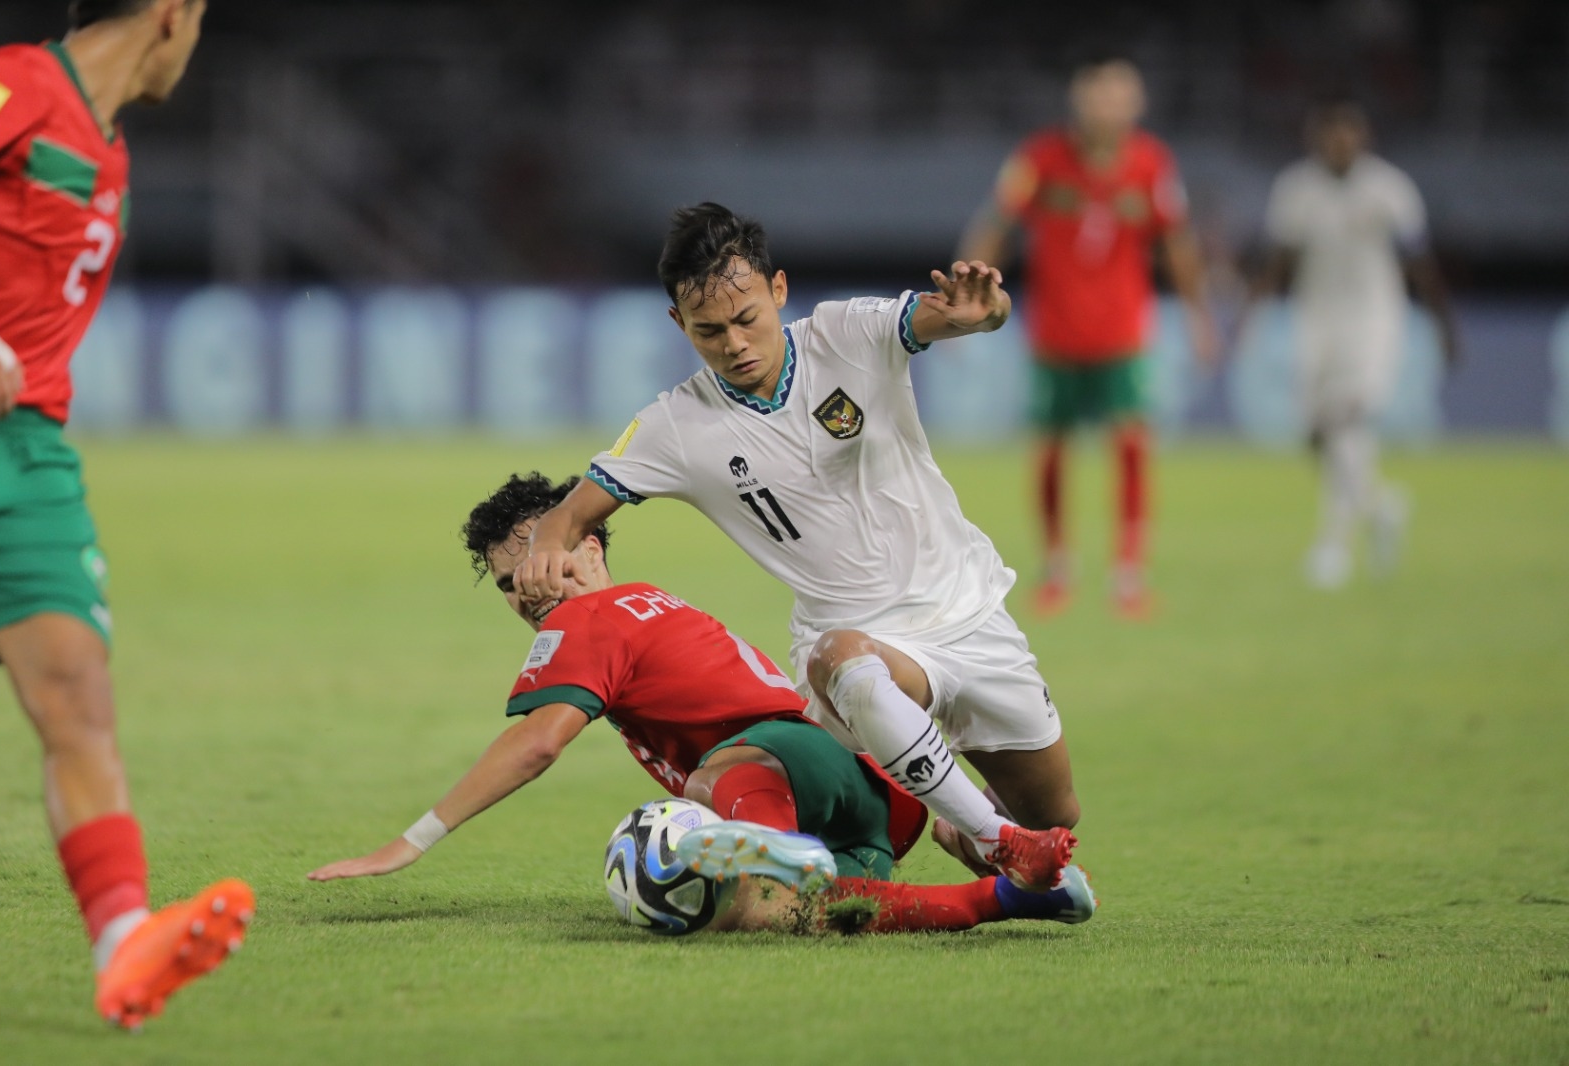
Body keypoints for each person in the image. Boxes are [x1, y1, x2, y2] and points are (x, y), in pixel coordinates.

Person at [513, 203, 1079, 895]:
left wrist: (980, 312)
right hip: (856, 646)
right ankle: (1001, 843)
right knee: (843, 659)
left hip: (969, 614)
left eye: (747, 318)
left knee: (1057, 813)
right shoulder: (675, 426)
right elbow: (573, 510)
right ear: (677, 325)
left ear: (778, 290)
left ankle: (973, 829)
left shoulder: (848, 334)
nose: (734, 344)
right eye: (708, 331)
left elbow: (953, 318)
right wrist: (545, 541)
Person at [308, 474, 1096, 935]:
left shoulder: (584, 620)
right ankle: (1014, 898)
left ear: (587, 546)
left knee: (723, 791)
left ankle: (764, 841)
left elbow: (540, 744)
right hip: (865, 794)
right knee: (804, 912)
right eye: (510, 586)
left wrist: (410, 842)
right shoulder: (654, 603)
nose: (527, 593)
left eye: (535, 564)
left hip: (778, 769)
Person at [0, 0, 251, 1030]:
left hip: (26, 453)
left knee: (77, 693)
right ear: (174, 14)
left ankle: (124, 941)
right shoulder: (9, 88)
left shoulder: (109, 152)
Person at [957, 52, 1219, 618]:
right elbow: (996, 222)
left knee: (1130, 447)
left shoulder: (1151, 165)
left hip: (1123, 334)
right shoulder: (1041, 160)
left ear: (1136, 103)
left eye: (1119, 95)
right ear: (1079, 99)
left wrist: (1199, 317)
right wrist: (967, 286)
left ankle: (1128, 574)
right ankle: (1058, 570)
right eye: (1098, 94)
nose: (1108, 105)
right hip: (1055, 334)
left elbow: (1177, 242)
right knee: (1051, 450)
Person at [1247, 96, 1458, 589]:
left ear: (1364, 138)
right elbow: (1280, 259)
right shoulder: (1296, 189)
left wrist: (1446, 325)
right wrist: (1254, 310)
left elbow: (1419, 262)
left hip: (1373, 320)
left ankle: (1333, 545)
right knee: (1316, 434)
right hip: (1315, 320)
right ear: (1316, 138)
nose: (1340, 142)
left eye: (1349, 132)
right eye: (1331, 133)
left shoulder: (1389, 189)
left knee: (1346, 418)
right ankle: (1381, 507)